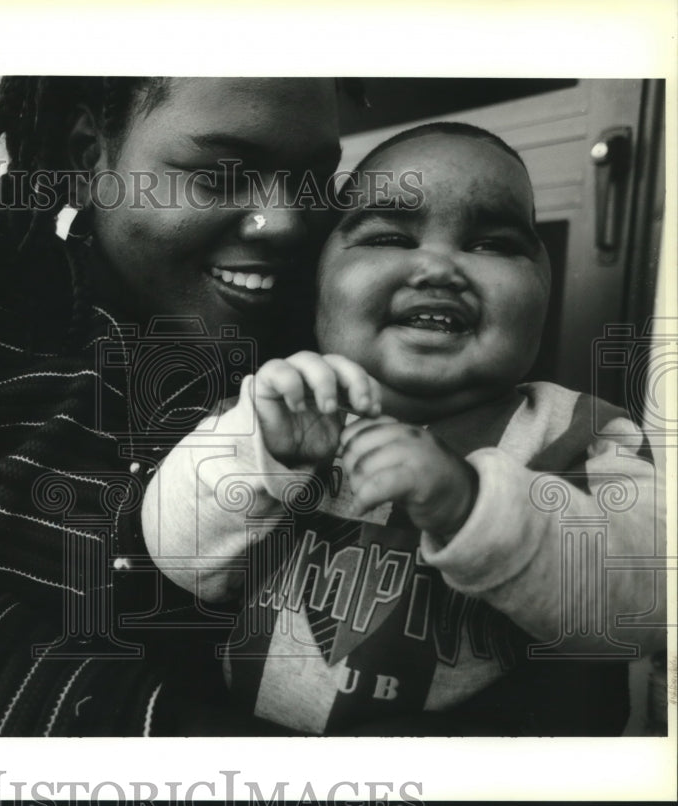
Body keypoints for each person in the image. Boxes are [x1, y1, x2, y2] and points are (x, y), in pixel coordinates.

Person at [0, 77, 351, 736]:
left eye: (312, 181)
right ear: (88, 155)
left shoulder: (348, 318)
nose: (286, 223)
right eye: (220, 175)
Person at [142, 122, 662, 735]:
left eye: (493, 245)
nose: (440, 265)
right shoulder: (278, 408)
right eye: (390, 235)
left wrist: (473, 506)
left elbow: (647, 605)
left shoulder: (575, 433)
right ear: (317, 288)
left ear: (544, 288)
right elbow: (178, 558)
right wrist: (262, 459)